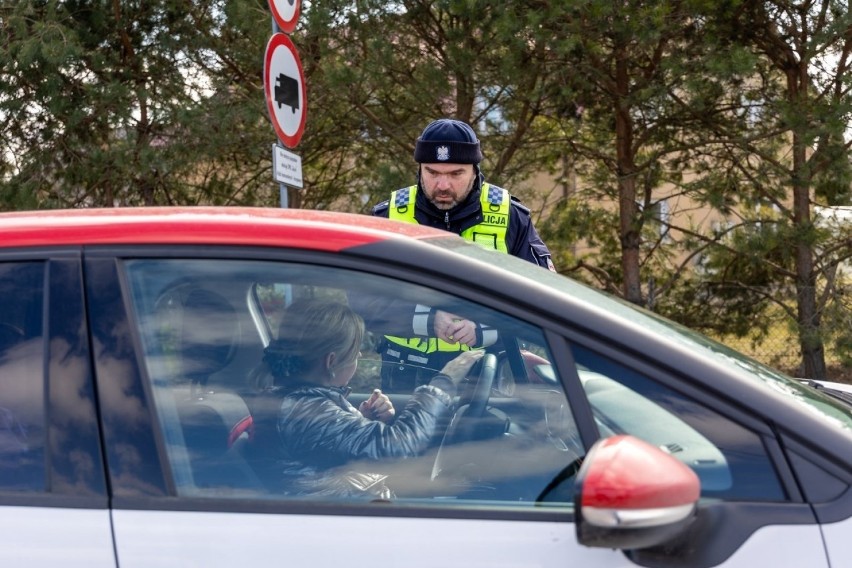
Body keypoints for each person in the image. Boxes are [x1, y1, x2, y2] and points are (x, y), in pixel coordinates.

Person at [361, 117, 555, 392]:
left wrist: (486, 328)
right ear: (419, 169)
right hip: (407, 375)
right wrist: (428, 320)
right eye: (432, 172)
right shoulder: (389, 216)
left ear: (474, 170)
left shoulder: (511, 217)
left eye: (455, 174)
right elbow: (363, 298)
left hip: (485, 375)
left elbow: (542, 299)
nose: (442, 185)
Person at [246, 298, 484, 499]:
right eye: (355, 351)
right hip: (337, 525)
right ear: (331, 361)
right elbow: (397, 449)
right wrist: (443, 383)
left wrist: (361, 420)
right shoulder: (304, 409)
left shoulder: (300, 401)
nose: (359, 355)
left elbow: (324, 444)